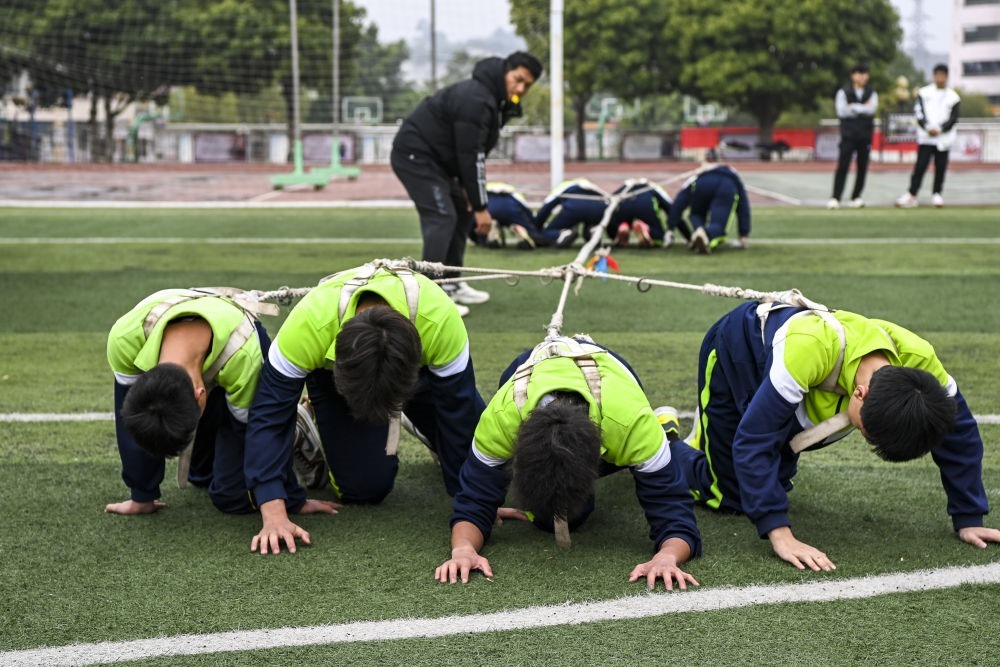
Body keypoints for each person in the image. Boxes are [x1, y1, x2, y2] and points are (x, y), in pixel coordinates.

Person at [669, 299, 1000, 571]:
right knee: (729, 495)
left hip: (798, 388)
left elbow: (959, 431)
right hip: (738, 352)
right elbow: (754, 440)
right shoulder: (809, 349)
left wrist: (968, 515)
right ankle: (665, 441)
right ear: (860, 394)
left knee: (770, 478)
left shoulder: (920, 361)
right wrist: (780, 535)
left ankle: (711, 446)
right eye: (866, 432)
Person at [244, 261, 486, 555]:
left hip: (422, 372)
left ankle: (428, 427)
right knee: (364, 489)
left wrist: (476, 503)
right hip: (334, 378)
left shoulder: (438, 319)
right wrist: (273, 511)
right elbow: (269, 413)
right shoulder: (309, 324)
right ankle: (307, 422)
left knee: (478, 450)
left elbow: (460, 411)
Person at [435, 336, 701, 590]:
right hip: (526, 368)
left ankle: (667, 438)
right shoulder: (502, 418)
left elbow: (674, 513)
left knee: (578, 510)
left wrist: (667, 556)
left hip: (614, 376)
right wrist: (463, 549)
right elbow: (473, 502)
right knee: (554, 519)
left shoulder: (631, 423)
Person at [105, 288, 337, 521]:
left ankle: (296, 428)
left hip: (237, 347)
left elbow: (263, 430)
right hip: (203, 347)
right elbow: (135, 424)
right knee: (202, 476)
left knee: (233, 497)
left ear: (200, 395)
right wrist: (142, 495)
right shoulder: (125, 339)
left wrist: (290, 497)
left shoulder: (245, 356)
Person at [391, 51, 543, 309]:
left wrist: (469, 193)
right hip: (416, 155)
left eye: (527, 85)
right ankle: (428, 297)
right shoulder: (476, 99)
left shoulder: (497, 101)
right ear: (505, 71)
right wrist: (481, 207)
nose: (520, 89)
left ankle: (451, 283)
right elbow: (471, 155)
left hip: (441, 161)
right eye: (517, 80)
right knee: (442, 217)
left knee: (462, 211)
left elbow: (471, 151)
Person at [896, 64, 961, 209]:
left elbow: (954, 117)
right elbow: (918, 113)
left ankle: (937, 194)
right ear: (934, 76)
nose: (940, 78)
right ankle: (912, 194)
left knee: (940, 167)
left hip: (943, 139)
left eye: (942, 75)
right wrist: (927, 127)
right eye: (937, 75)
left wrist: (941, 129)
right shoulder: (924, 93)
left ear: (947, 76)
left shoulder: (953, 97)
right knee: (920, 166)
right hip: (926, 137)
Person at [667, 163, 750, 254]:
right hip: (725, 185)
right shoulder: (734, 177)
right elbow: (743, 206)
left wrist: (670, 228)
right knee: (718, 224)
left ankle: (699, 231)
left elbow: (679, 201)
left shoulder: (699, 175)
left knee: (696, 214)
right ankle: (706, 234)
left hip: (702, 184)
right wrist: (743, 234)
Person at [828, 63, 878, 210]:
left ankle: (856, 196)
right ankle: (836, 197)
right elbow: (842, 111)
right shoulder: (843, 92)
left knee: (862, 167)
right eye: (860, 73)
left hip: (865, 135)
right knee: (843, 166)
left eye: (865, 73)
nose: (863, 77)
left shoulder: (871, 92)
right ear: (853, 75)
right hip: (848, 135)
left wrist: (853, 107)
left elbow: (872, 110)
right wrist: (863, 107)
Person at [535, 178, 610, 248]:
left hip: (574, 207)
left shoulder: (562, 187)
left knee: (548, 231)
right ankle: (593, 230)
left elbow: (547, 207)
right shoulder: (593, 186)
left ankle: (561, 233)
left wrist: (537, 227)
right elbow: (609, 205)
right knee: (592, 220)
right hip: (598, 208)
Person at [471, 181, 544, 249]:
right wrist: (533, 229)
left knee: (481, 228)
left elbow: (471, 214)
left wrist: (475, 238)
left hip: (488, 206)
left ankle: (490, 232)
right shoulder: (515, 192)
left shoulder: (481, 191)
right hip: (510, 207)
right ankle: (519, 229)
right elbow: (526, 210)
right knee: (533, 235)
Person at [608, 178, 673, 248]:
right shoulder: (654, 187)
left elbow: (606, 205)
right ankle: (646, 228)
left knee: (616, 218)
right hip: (645, 203)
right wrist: (672, 229)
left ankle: (621, 227)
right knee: (659, 238)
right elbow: (672, 208)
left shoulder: (623, 188)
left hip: (623, 202)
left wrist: (612, 230)